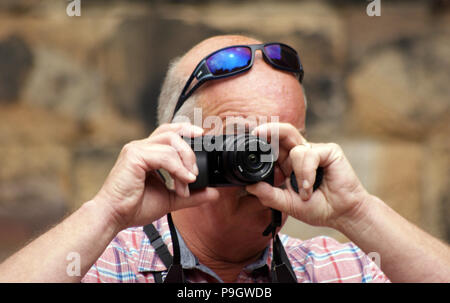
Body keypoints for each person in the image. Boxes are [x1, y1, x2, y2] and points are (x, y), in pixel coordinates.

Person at [0, 35, 449, 283]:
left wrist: (359, 212)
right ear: (176, 141)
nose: (262, 160)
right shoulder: (100, 267)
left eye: (281, 141)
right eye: (239, 139)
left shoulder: (340, 271)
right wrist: (105, 213)